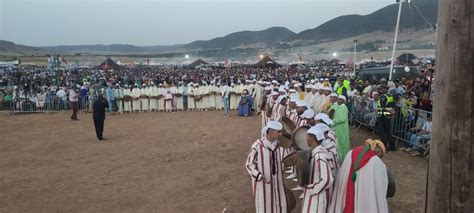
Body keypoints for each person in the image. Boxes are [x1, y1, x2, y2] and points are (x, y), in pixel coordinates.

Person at [329, 139, 389, 213]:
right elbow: (381, 186)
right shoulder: (377, 162)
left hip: (346, 189)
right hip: (365, 196)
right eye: (381, 154)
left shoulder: (351, 152)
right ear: (378, 150)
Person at [245, 121, 288, 213]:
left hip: (277, 180)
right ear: (271, 132)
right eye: (278, 132)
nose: (280, 134)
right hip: (263, 182)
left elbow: (280, 162)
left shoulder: (277, 145)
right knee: (265, 204)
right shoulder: (257, 146)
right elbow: (249, 164)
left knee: (279, 201)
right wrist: (259, 176)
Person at [301, 125, 334, 213]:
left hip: (319, 197)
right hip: (316, 194)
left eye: (307, 137)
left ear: (312, 139)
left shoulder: (319, 156)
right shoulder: (317, 153)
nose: (306, 139)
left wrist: (310, 188)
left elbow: (327, 180)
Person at [376, 85, 396, 151]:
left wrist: (389, 110)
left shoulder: (383, 97)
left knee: (382, 132)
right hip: (388, 116)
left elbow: (383, 107)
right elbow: (393, 105)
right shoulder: (390, 96)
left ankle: (384, 147)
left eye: (381, 89)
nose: (379, 90)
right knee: (388, 132)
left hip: (382, 116)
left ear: (385, 89)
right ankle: (392, 146)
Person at [332, 95, 350, 162]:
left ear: (344, 101)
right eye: (338, 99)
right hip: (336, 128)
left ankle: (343, 159)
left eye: (341, 99)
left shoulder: (344, 108)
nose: (339, 100)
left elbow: (342, 119)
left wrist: (332, 122)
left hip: (341, 129)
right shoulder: (337, 106)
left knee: (342, 143)